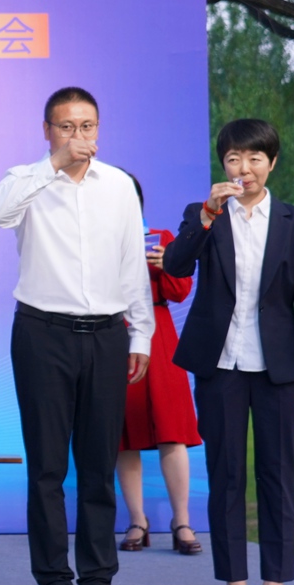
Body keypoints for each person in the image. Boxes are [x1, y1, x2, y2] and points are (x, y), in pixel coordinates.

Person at [0, 87, 154, 585]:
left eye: (87, 126)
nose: (78, 136)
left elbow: (132, 262)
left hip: (106, 334)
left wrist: (141, 335)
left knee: (98, 466)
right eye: (66, 126)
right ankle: (56, 583)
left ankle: (98, 582)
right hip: (42, 333)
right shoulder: (27, 181)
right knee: (47, 467)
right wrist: (53, 165)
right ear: (47, 130)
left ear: (98, 129)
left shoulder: (119, 185)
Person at [163, 117, 294, 585]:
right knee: (226, 475)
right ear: (223, 164)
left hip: (279, 369)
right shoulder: (206, 214)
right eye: (234, 158)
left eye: (255, 157)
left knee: (277, 477)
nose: (244, 167)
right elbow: (175, 266)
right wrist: (207, 215)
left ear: (271, 162)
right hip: (221, 365)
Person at [115, 174, 202, 557]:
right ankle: (137, 520)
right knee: (123, 435)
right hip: (116, 333)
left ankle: (182, 521)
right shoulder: (95, 241)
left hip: (159, 332)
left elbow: (180, 291)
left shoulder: (162, 237)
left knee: (172, 430)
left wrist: (167, 263)